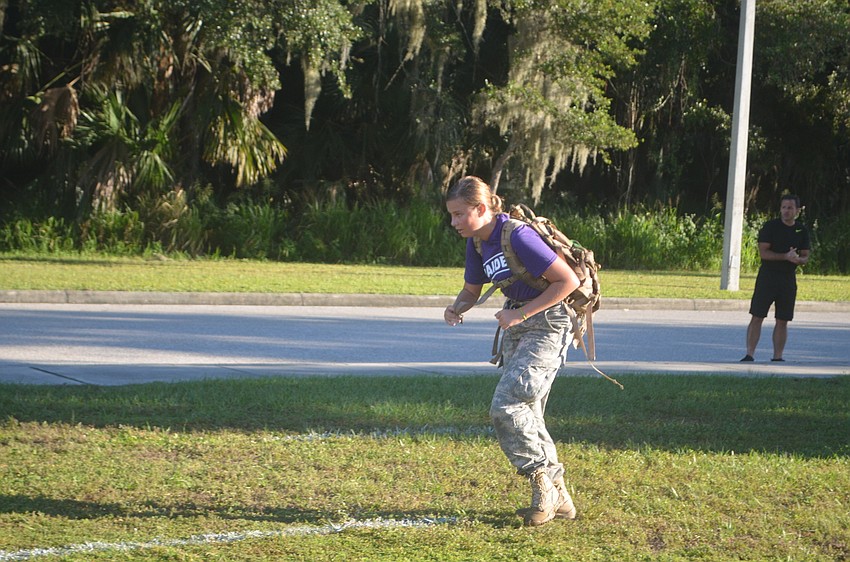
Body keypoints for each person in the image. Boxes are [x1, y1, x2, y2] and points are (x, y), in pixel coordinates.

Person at [443, 175, 581, 527]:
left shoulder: (516, 234)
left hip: (548, 323)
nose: (454, 222)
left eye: (460, 214)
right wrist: (457, 307)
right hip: (518, 324)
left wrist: (519, 313)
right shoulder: (477, 243)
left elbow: (568, 281)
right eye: (452, 215)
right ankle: (559, 496)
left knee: (507, 404)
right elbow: (472, 289)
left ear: (481, 208)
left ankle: (541, 483)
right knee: (528, 411)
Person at [741, 194, 811, 362]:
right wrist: (785, 256)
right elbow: (764, 253)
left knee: (783, 319)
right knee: (757, 316)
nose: (786, 211)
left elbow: (805, 256)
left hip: (788, 279)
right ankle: (749, 354)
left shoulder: (801, 230)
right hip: (768, 277)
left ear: (797, 210)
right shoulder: (770, 227)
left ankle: (777, 356)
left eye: (790, 208)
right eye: (784, 207)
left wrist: (798, 260)